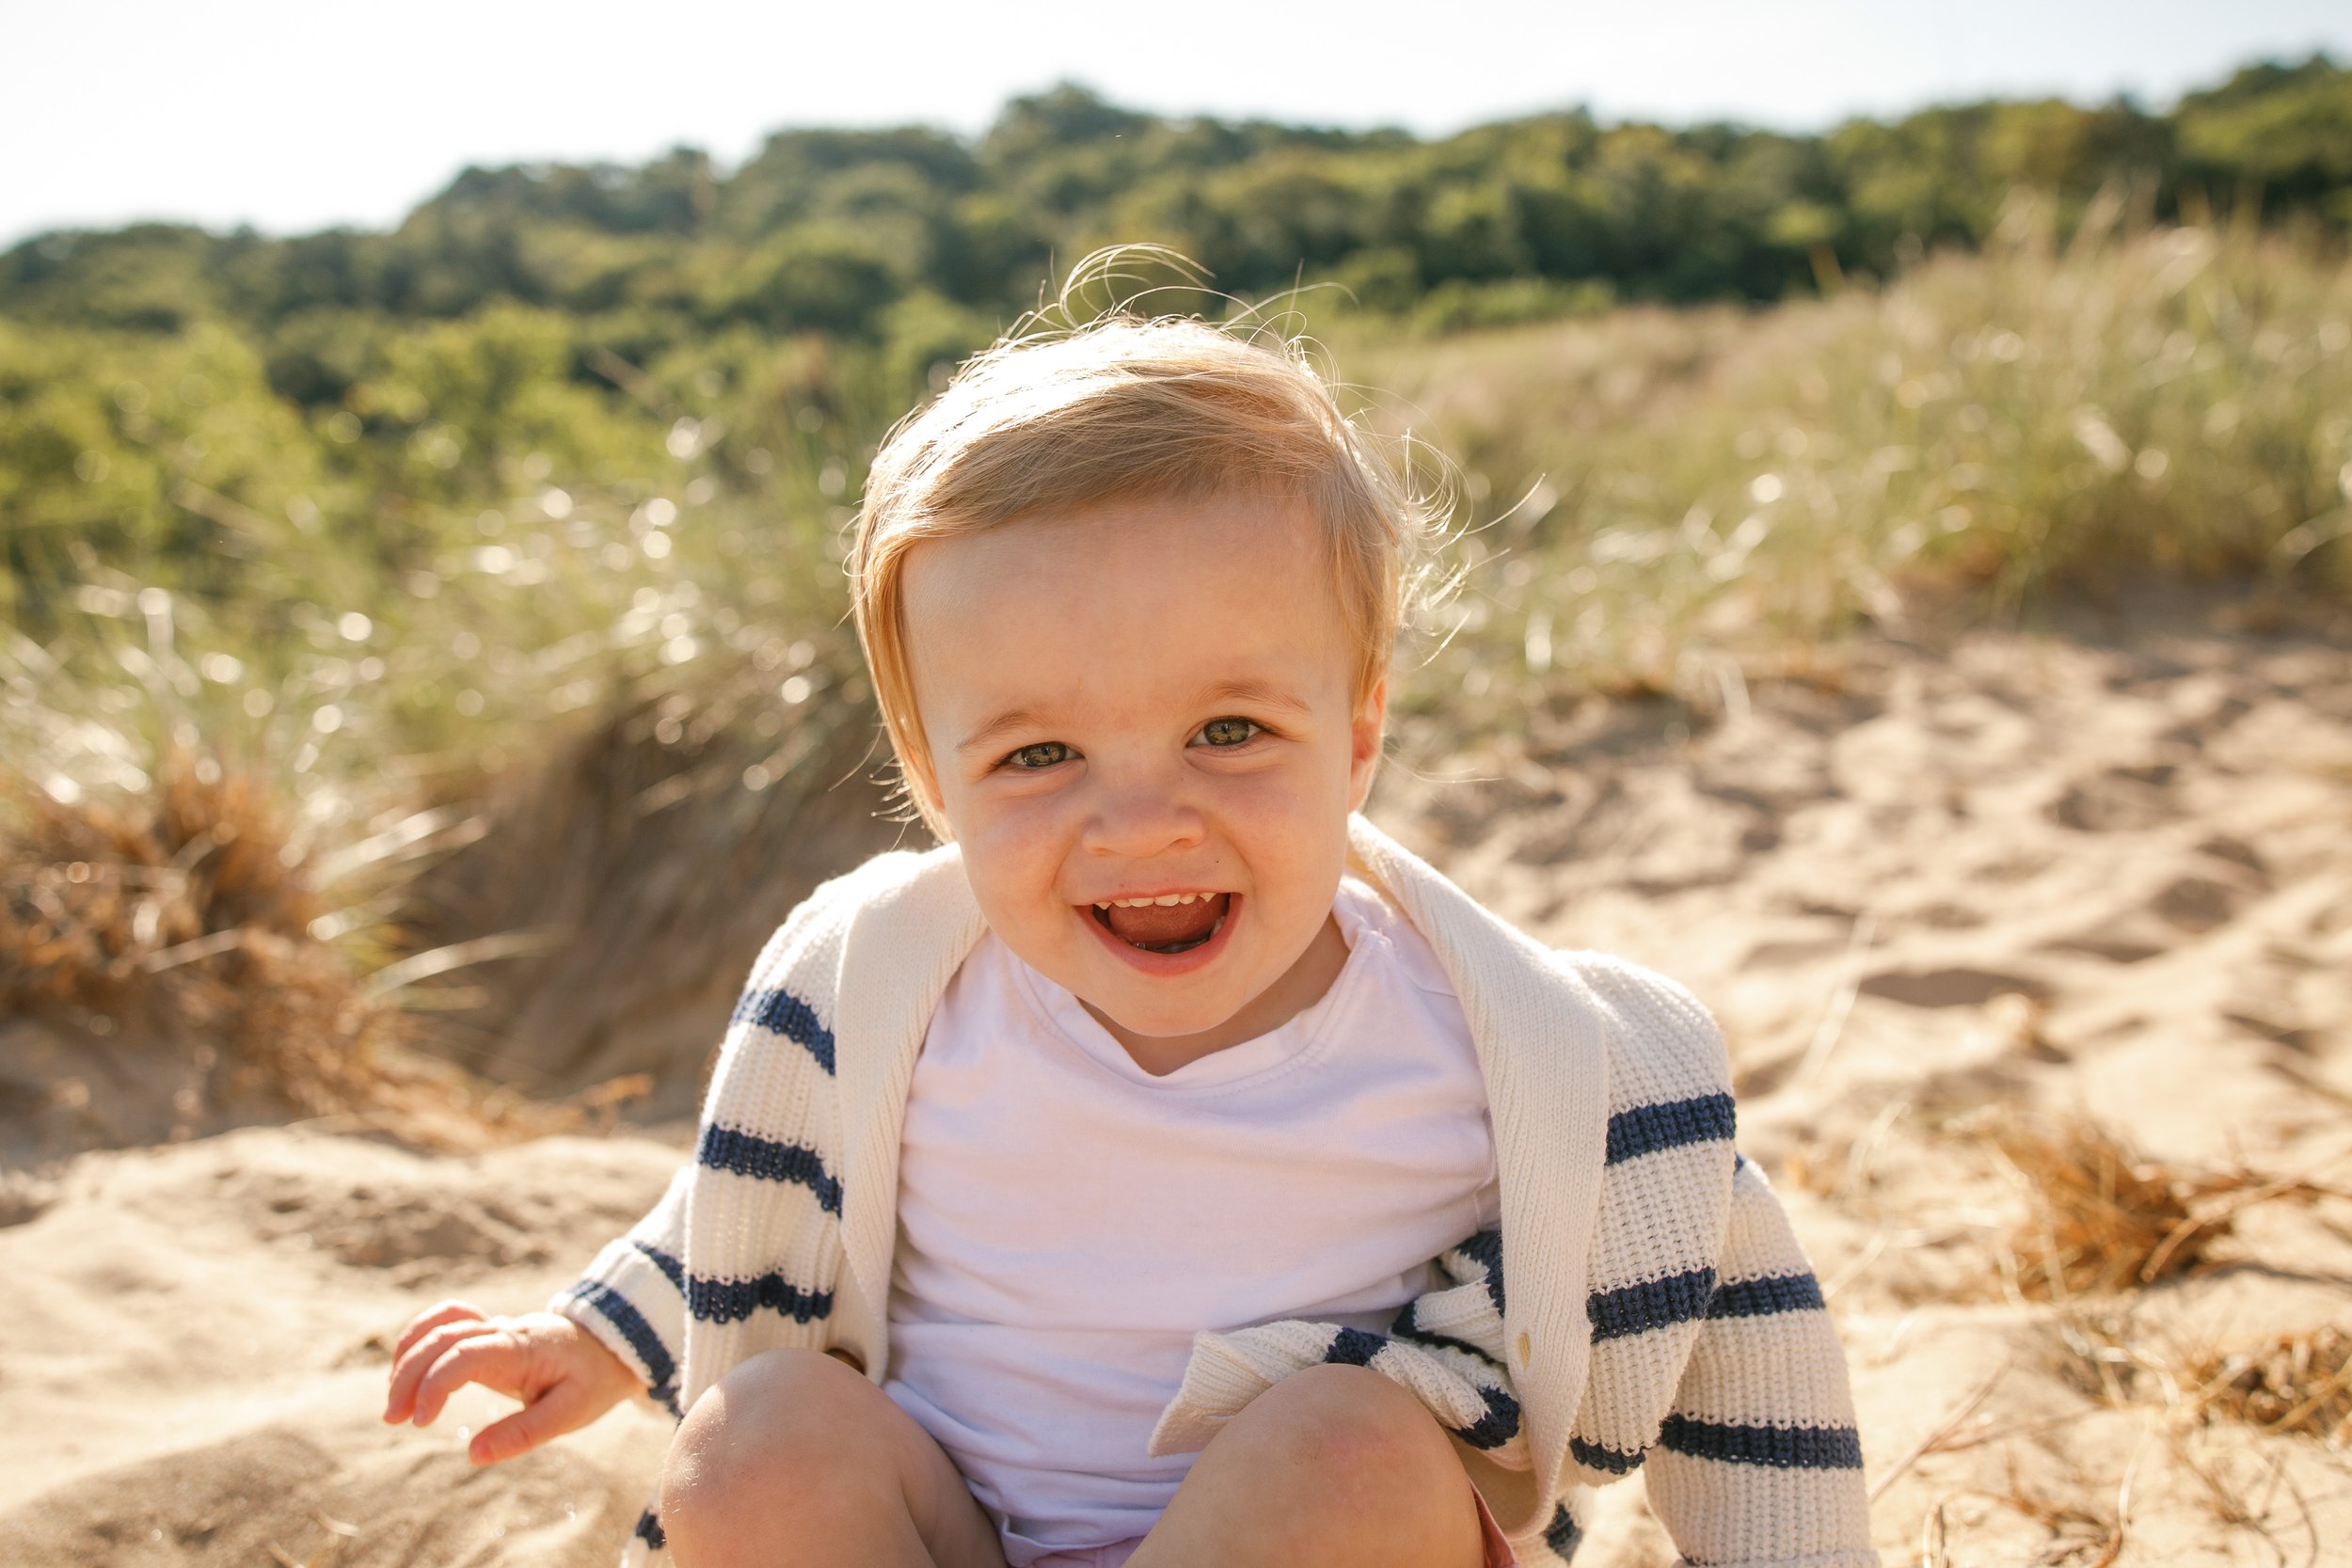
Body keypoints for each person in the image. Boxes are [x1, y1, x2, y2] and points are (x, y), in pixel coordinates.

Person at [382, 255, 1881, 1568]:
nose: (1142, 820)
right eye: (1038, 755)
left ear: (1359, 732)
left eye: (1230, 732)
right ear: (930, 777)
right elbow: (769, 1192)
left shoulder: (1504, 1047)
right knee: (756, 1441)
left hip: (1325, 1550)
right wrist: (601, 1328)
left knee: (1342, 1453)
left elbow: (1719, 1297)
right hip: (963, 1535)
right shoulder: (890, 989)